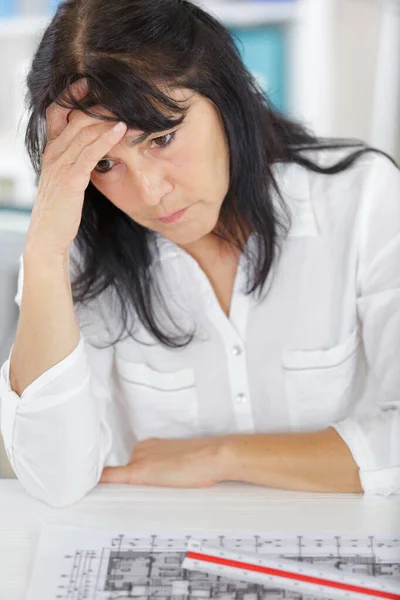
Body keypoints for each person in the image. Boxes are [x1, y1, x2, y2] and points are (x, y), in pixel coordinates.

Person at [0, 0, 399, 508]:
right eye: (103, 163)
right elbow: (55, 479)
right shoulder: (78, 249)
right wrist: (43, 253)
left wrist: (219, 457)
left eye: (162, 138)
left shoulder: (361, 200)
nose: (148, 192)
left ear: (226, 99)